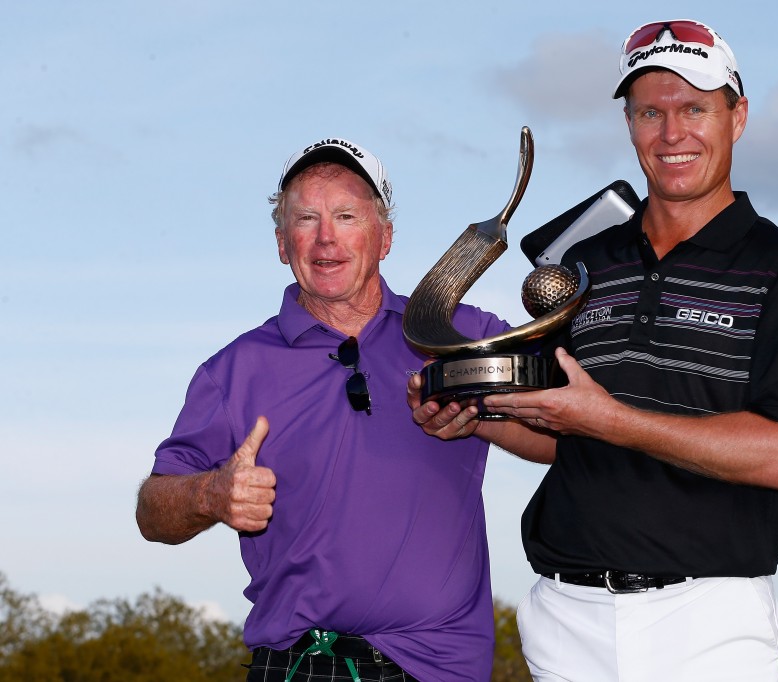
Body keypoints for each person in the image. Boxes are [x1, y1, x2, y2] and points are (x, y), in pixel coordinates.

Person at [409, 19, 778, 681]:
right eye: (649, 113)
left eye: (694, 109)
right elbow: (563, 431)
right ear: (630, 124)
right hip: (565, 616)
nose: (672, 134)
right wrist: (476, 416)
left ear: (737, 117)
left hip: (709, 619)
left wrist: (611, 420)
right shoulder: (585, 264)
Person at [136, 137, 548, 682]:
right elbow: (152, 513)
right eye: (306, 218)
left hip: (440, 668)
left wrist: (484, 417)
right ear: (282, 243)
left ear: (385, 237)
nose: (325, 237)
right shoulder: (233, 370)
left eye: (347, 216)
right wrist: (210, 494)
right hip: (300, 665)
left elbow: (566, 431)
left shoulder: (461, 334)